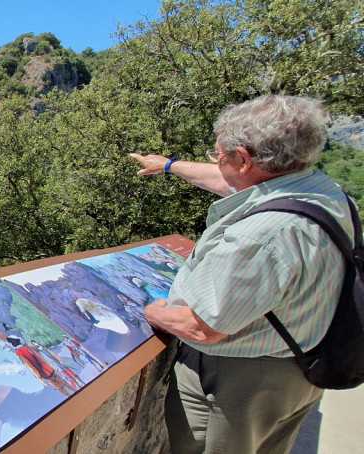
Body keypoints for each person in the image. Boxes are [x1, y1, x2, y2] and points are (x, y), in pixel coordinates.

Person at [128, 95, 350, 453]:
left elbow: (204, 326)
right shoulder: (322, 191)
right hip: (303, 365)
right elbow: (235, 184)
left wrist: (151, 311)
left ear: (244, 159)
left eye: (219, 154)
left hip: (241, 383)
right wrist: (168, 165)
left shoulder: (262, 235)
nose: (215, 162)